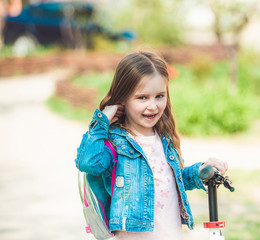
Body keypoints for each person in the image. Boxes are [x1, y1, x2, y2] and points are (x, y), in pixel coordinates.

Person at [75, 51, 228, 240]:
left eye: (159, 96)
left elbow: (174, 181)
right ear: (123, 98)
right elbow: (88, 162)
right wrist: (102, 122)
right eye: (142, 98)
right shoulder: (116, 143)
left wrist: (200, 171)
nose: (153, 106)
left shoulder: (163, 138)